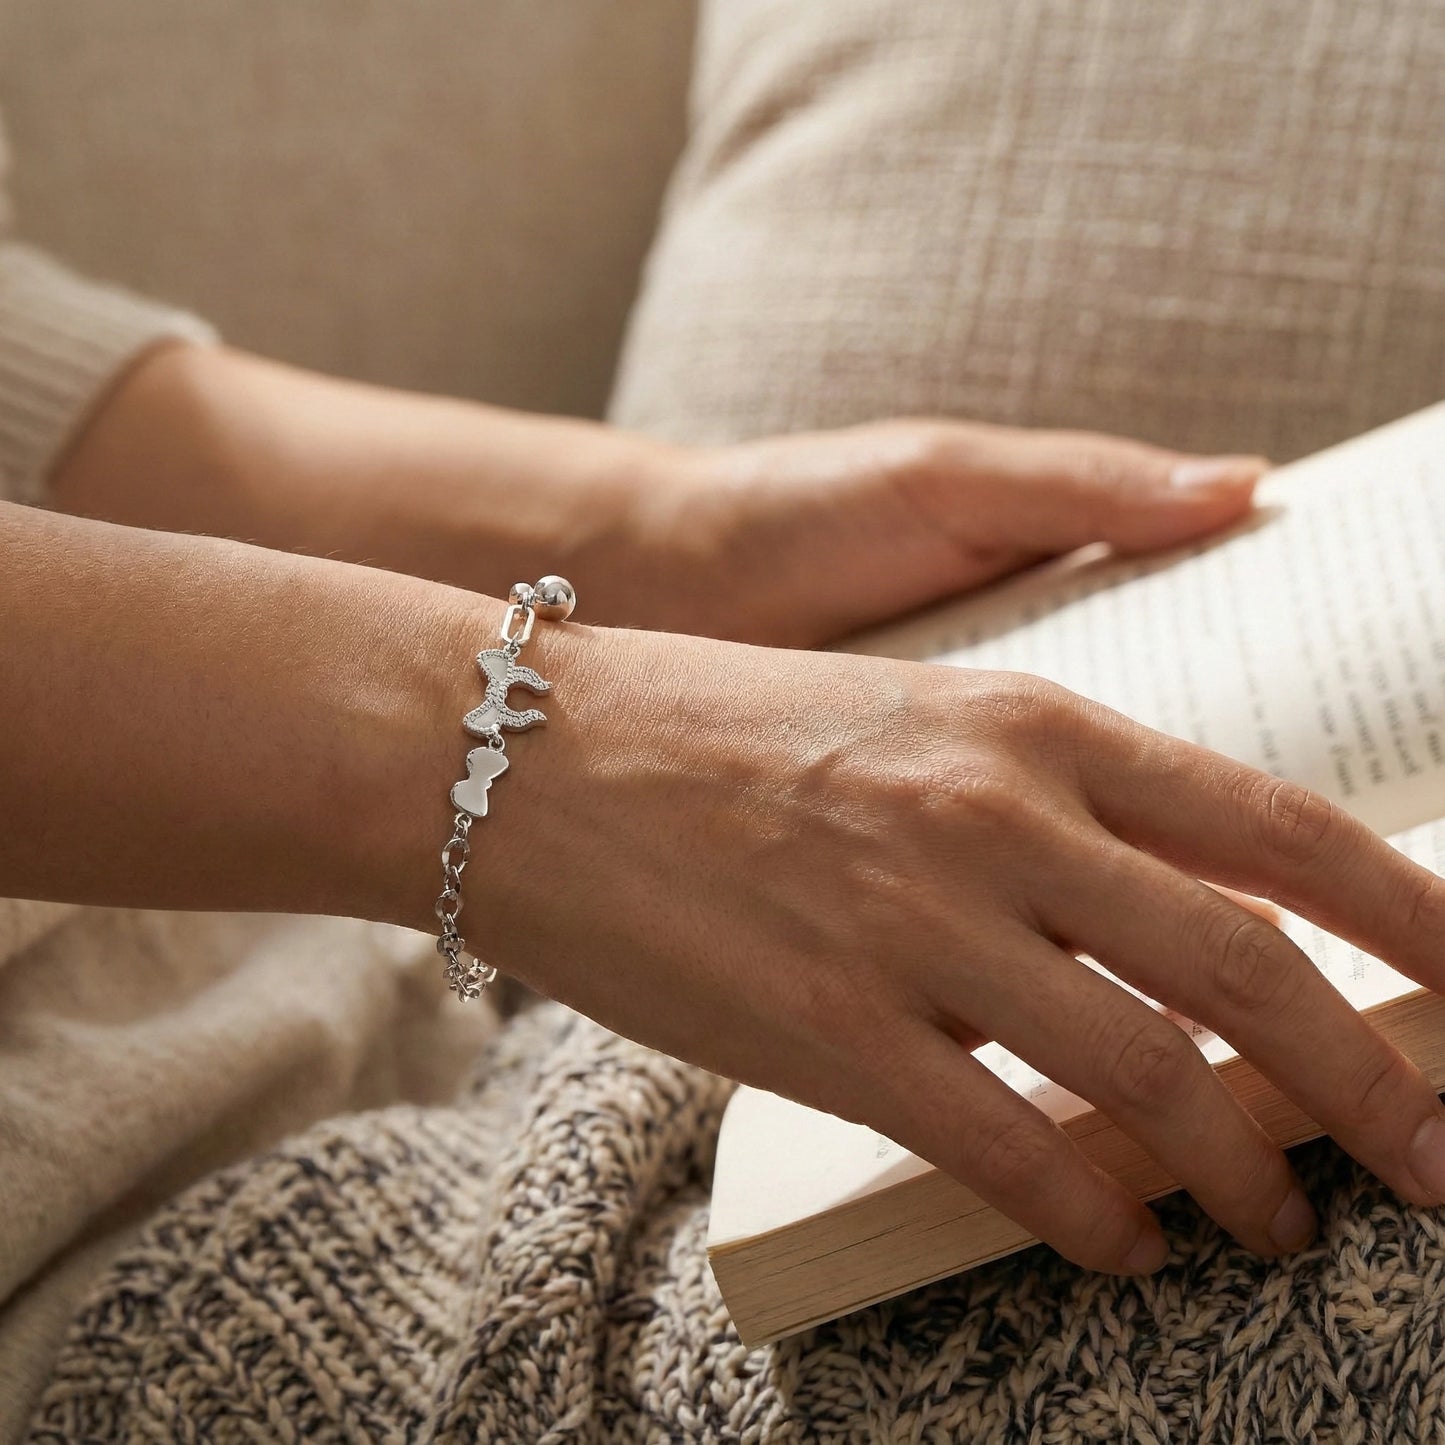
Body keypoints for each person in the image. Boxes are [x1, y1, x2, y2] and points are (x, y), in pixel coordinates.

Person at [6, 91, 1445, 1445]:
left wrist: (678, 535)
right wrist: (540, 767)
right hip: (167, 1279)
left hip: (408, 986)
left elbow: (63, 405)